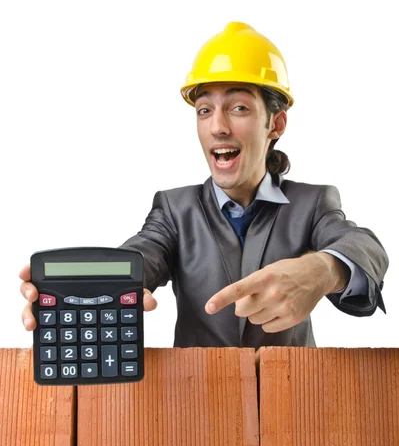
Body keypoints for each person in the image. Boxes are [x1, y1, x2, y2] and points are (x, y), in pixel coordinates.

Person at [20, 22, 388, 349]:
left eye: (239, 108)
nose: (218, 127)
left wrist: (323, 270)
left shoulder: (312, 202)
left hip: (290, 402)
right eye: (204, 110)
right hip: (197, 404)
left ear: (275, 124)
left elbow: (365, 247)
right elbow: (138, 260)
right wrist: (70, 292)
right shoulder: (173, 210)